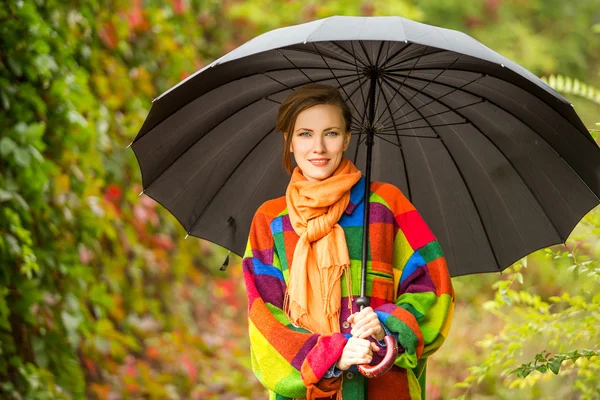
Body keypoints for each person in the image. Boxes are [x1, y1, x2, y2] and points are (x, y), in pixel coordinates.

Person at [242, 83, 455, 400]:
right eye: (304, 134)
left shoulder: (386, 205)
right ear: (288, 140)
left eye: (330, 133)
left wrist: (384, 325)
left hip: (386, 390)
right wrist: (331, 356)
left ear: (347, 138)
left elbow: (434, 290)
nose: (318, 147)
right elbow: (265, 317)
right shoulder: (270, 220)